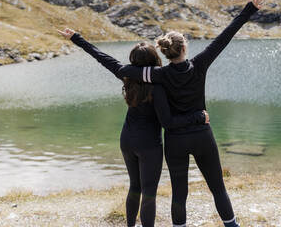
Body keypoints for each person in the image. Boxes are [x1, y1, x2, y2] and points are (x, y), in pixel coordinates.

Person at [112, 0, 265, 227]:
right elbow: (225, 37)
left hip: (175, 142)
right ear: (184, 46)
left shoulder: (158, 76)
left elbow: (125, 71)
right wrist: (250, 9)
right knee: (218, 189)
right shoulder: (200, 64)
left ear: (165, 51)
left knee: (179, 195)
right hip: (202, 135)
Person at [56, 30, 209, 227]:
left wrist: (76, 38)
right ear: (155, 59)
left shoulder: (127, 78)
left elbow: (101, 57)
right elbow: (167, 122)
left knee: (134, 187)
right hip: (149, 145)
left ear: (134, 61)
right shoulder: (158, 86)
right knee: (149, 192)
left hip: (127, 140)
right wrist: (197, 117)